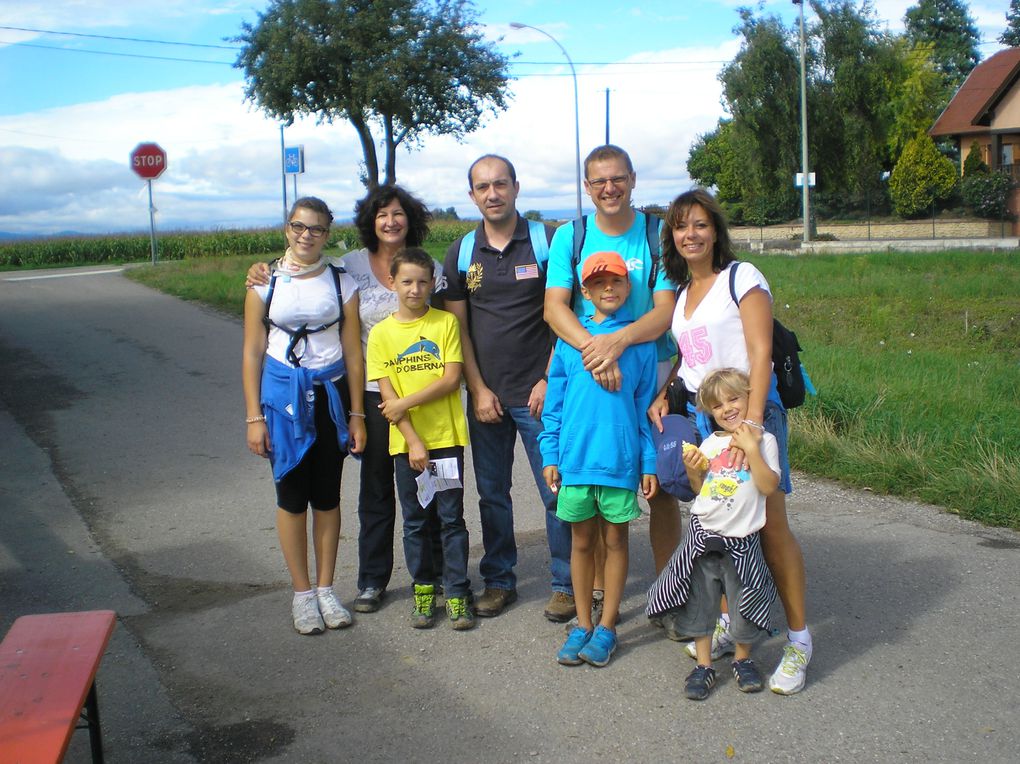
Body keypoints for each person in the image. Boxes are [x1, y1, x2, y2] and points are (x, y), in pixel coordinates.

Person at [646, 187, 813, 695]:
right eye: (680, 226)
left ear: (715, 230)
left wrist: (753, 427)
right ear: (670, 237)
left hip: (750, 414)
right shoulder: (681, 292)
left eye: (699, 224)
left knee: (769, 525)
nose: (690, 234)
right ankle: (732, 625)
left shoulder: (742, 278)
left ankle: (798, 641)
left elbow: (759, 353)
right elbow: (692, 353)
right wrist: (664, 391)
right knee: (719, 524)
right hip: (705, 418)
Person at [247, 185, 441, 614]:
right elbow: (300, 274)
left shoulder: (430, 266)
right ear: (370, 222)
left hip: (423, 393)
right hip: (371, 394)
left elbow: (445, 323)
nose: (390, 222)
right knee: (374, 491)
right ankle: (372, 580)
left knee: (425, 488)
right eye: (381, 215)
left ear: (410, 218)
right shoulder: (349, 266)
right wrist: (261, 269)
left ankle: (432, 574)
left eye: (398, 214)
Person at [543, 144, 680, 626]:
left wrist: (617, 344)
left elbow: (663, 312)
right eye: (599, 181)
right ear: (587, 186)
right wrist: (593, 351)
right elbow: (555, 307)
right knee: (598, 478)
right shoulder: (570, 236)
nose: (609, 188)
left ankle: (668, 591)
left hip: (647, 366)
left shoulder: (654, 232)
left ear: (633, 179)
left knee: (658, 484)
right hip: (589, 362)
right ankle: (598, 596)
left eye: (617, 178)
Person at [434, 154, 574, 622]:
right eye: (482, 187)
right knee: (492, 494)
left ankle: (566, 583)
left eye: (500, 184)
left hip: (541, 396)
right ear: (471, 194)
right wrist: (477, 388)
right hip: (487, 398)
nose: (492, 194)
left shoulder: (545, 240)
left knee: (556, 491)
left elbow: (564, 314)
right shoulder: (461, 253)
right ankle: (498, 581)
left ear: (516, 187)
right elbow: (459, 330)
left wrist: (547, 381)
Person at [242, 196, 366, 635]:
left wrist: (357, 414)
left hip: (329, 393)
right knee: (291, 496)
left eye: (316, 229)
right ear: (287, 228)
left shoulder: (341, 282)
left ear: (327, 234)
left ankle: (327, 589)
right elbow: (253, 350)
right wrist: (253, 417)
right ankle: (302, 594)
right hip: (282, 400)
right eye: (299, 226)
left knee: (327, 495)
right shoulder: (264, 282)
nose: (306, 236)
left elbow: (354, 352)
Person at [540, 251, 658, 668]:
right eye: (599, 283)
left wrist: (648, 463)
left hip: (620, 463)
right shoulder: (570, 342)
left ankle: (607, 626)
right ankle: (582, 623)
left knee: (615, 540)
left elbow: (645, 410)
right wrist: (550, 453)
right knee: (581, 542)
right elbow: (553, 406)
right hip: (575, 462)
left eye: (617, 282)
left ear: (629, 288)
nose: (609, 289)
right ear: (585, 292)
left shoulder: (638, 345)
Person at [647, 368, 778, 700]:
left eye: (734, 398)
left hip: (742, 539)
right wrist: (693, 470)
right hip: (703, 535)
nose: (728, 409)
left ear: (749, 398)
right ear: (709, 411)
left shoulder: (765, 441)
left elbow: (767, 485)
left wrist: (751, 448)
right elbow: (698, 491)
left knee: (744, 601)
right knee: (701, 603)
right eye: (718, 406)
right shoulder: (708, 443)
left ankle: (743, 658)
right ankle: (704, 665)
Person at [366, 248, 474, 631]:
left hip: (445, 441)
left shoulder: (444, 324)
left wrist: (407, 406)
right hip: (406, 447)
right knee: (415, 520)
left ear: (433, 284)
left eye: (423, 282)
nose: (415, 289)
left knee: (450, 518)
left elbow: (449, 379)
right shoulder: (380, 335)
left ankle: (458, 591)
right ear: (392, 283)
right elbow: (386, 394)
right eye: (407, 281)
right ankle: (424, 590)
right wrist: (412, 441)